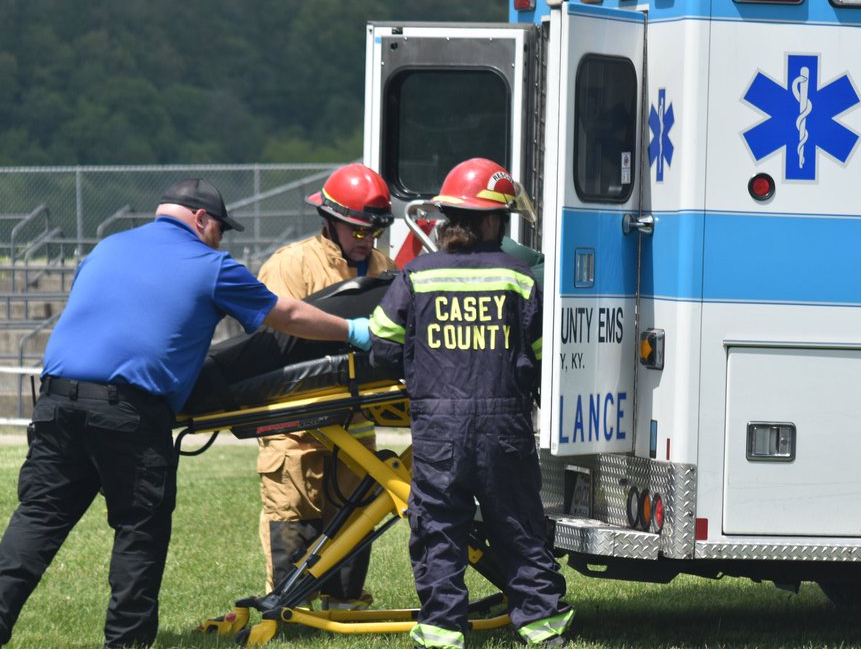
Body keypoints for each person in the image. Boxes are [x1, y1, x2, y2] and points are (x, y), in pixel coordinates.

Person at [0, 178, 373, 649]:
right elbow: (289, 317)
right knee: (139, 533)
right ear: (201, 220)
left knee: (37, 520)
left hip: (55, 402)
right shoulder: (210, 264)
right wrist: (354, 329)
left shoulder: (107, 248)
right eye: (220, 229)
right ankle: (127, 643)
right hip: (130, 412)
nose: (221, 240)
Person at [368, 158, 573, 649]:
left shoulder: (415, 275)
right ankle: (542, 627)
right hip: (505, 427)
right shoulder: (519, 278)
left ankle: (442, 630)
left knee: (439, 527)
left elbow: (381, 347)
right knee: (519, 524)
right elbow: (542, 357)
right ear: (487, 221)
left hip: (438, 429)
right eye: (500, 220)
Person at [254, 163, 395, 608]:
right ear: (330, 219)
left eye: (372, 229)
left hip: (354, 422)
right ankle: (288, 605)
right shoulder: (291, 265)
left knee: (355, 512)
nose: (365, 238)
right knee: (293, 511)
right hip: (295, 422)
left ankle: (344, 600)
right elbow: (275, 336)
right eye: (356, 228)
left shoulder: (383, 266)